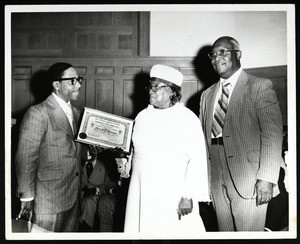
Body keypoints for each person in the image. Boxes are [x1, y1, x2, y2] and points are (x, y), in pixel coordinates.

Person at [199, 36, 286, 231]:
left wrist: (267, 177)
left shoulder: (259, 86)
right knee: (225, 233)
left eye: (223, 52)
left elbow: (272, 133)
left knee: (248, 234)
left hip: (249, 175)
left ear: (238, 54)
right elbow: (201, 139)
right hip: (214, 173)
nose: (216, 58)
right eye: (212, 54)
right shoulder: (207, 94)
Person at [117, 64, 210, 237]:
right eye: (150, 86)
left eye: (156, 87)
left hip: (172, 192)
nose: (151, 91)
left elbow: (197, 159)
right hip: (142, 190)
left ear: (172, 91)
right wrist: (124, 160)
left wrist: (188, 195)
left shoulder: (187, 118)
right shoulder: (142, 116)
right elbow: (135, 151)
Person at [15, 62, 83, 232]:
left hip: (73, 197)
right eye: (73, 81)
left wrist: (90, 153)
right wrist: (26, 198)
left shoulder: (77, 113)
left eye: (79, 80)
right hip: (48, 201)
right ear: (56, 84)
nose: (79, 84)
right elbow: (25, 158)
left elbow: (73, 151)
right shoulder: (38, 113)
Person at [79, 145, 120, 232]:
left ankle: (86, 230)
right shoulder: (78, 164)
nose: (88, 155)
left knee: (89, 201)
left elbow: (111, 183)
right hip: (79, 196)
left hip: (99, 195)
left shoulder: (106, 162)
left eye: (90, 152)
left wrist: (96, 190)